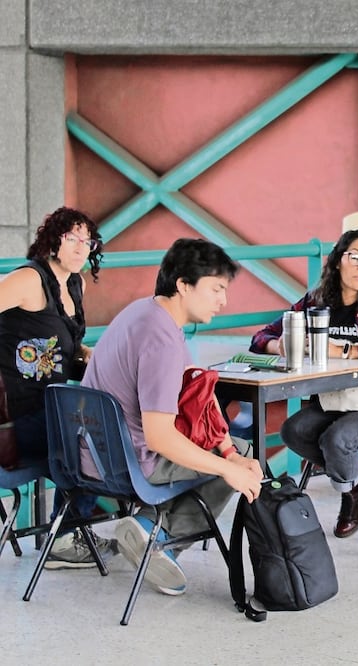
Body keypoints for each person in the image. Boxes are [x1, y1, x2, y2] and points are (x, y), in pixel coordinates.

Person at [82, 238, 263, 595]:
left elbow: (198, 396)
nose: (223, 301)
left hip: (89, 453)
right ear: (183, 284)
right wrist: (229, 467)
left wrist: (227, 451)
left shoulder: (144, 312)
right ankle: (159, 536)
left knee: (234, 450)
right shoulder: (161, 339)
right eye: (216, 289)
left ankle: (147, 523)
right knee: (240, 462)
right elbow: (160, 438)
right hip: (127, 465)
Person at [249, 228, 358, 539]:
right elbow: (262, 337)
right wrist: (281, 346)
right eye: (355, 257)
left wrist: (343, 349)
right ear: (337, 260)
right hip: (339, 400)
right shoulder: (317, 300)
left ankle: (349, 494)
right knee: (293, 430)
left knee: (338, 439)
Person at [0, 206, 117, 569]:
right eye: (72, 239)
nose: (82, 248)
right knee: (91, 438)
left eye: (88, 241)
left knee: (105, 428)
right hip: (15, 416)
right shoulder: (29, 279)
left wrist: (85, 352)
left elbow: (64, 340)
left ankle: (70, 528)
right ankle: (66, 535)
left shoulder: (74, 284)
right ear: (53, 242)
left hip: (49, 407)